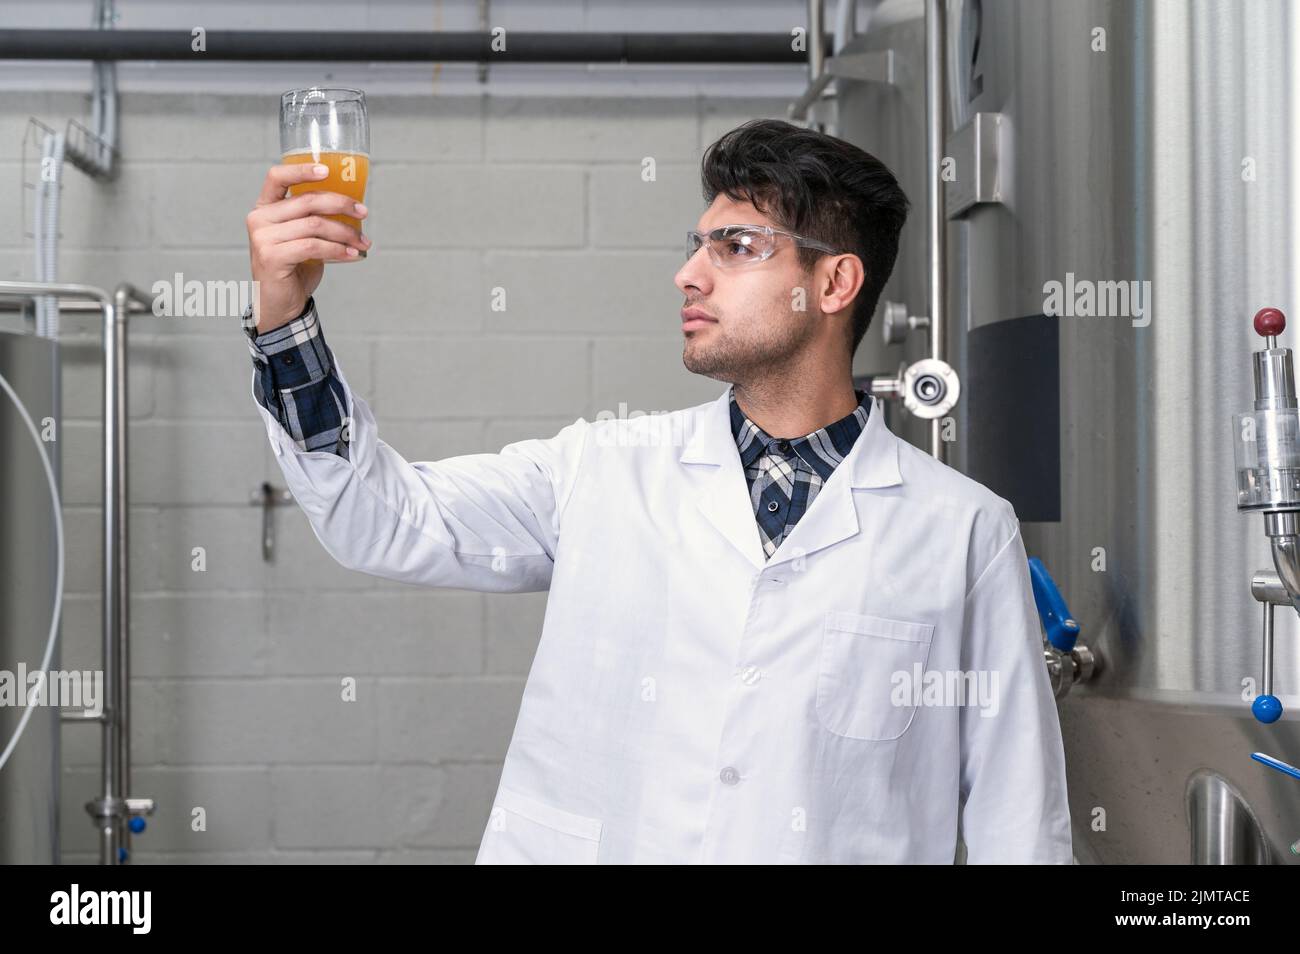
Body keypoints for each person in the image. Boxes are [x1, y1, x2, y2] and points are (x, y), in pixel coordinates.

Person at [241, 118, 1072, 864]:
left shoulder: (962, 530)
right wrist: (285, 320)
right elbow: (379, 519)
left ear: (833, 284)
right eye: (697, 244)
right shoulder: (600, 471)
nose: (687, 275)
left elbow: (1018, 823)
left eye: (736, 247)